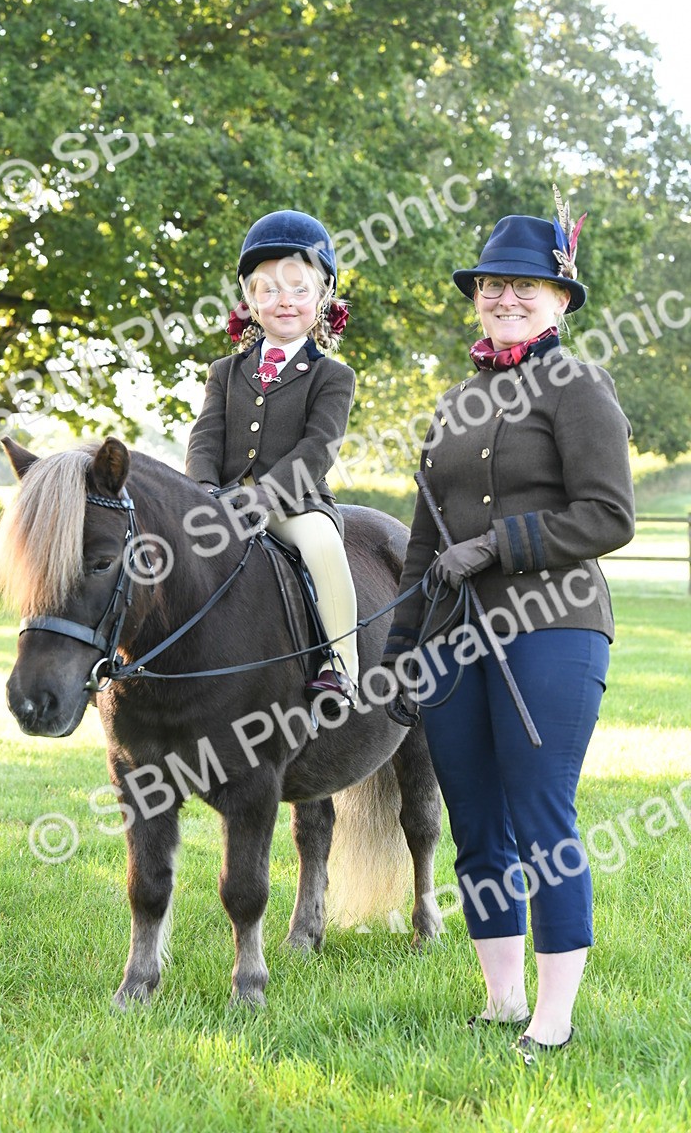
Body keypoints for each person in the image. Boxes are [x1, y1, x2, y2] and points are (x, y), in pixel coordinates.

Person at [382, 189, 635, 1062]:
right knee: (476, 819)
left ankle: (554, 1020)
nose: (507, 297)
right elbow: (423, 543)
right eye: (492, 284)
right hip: (454, 639)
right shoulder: (452, 403)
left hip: (554, 627)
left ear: (561, 297)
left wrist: (499, 545)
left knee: (540, 815)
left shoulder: (579, 384)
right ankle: (500, 1002)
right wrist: (397, 648)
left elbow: (609, 516)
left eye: (526, 285)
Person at [186, 209, 359, 708]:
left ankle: (339, 666)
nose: (284, 301)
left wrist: (262, 499)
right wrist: (200, 491)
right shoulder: (225, 370)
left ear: (321, 296)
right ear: (250, 299)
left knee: (322, 546)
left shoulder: (333, 376)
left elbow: (317, 449)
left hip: (294, 503)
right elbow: (205, 437)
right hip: (218, 496)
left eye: (299, 289)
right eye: (269, 290)